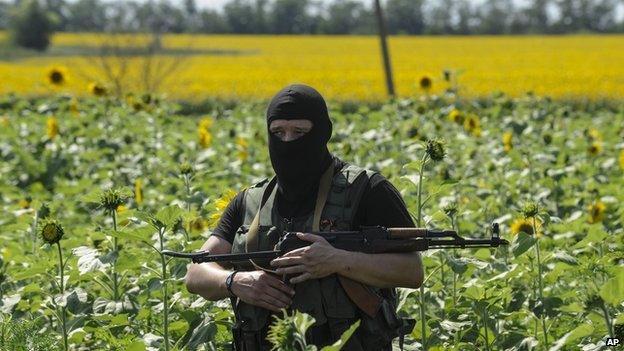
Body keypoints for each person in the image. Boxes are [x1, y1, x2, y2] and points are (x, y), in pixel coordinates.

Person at [185, 84, 424, 350]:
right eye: (278, 132)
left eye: (299, 132)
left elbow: (411, 270)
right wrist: (235, 282)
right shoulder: (251, 202)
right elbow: (195, 273)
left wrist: (337, 260)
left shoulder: (368, 191)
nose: (287, 142)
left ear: (322, 133)